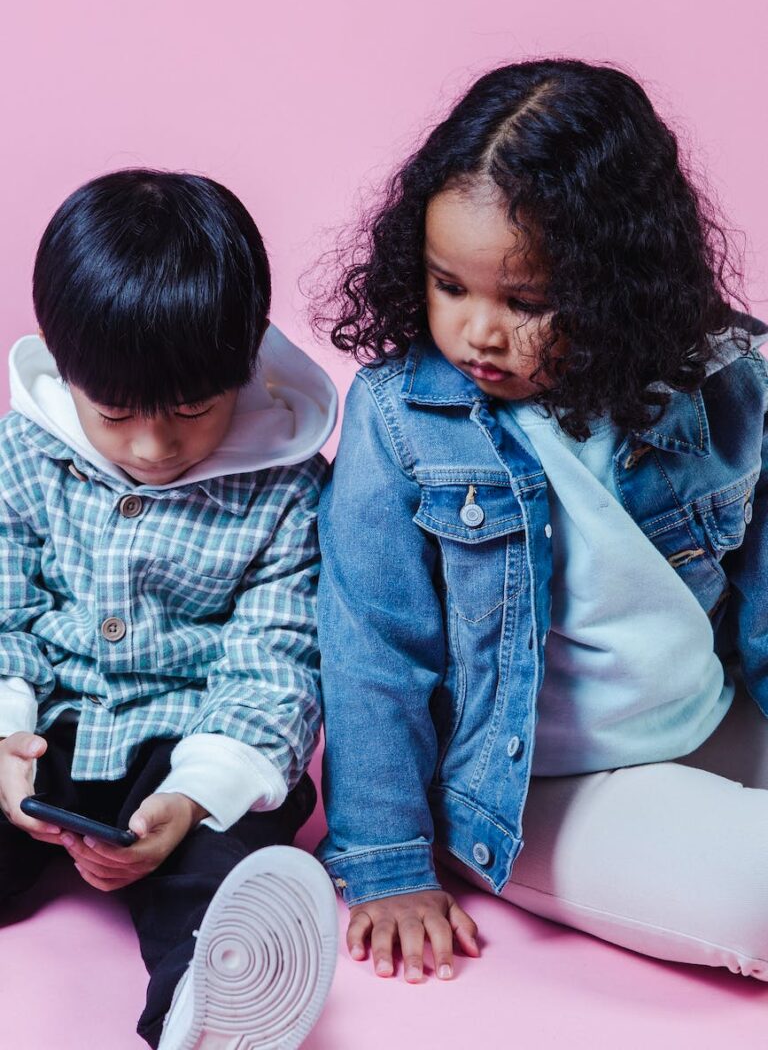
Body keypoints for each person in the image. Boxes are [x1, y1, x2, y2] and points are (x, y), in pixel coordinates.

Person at [316, 59, 768, 986]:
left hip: (705, 720)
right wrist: (386, 862)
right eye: (450, 287)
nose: (479, 333)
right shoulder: (403, 419)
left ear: (617, 288)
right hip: (528, 787)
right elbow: (372, 647)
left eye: (525, 304)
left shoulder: (722, 377)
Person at [0, 169, 339, 1048]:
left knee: (219, 874)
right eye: (113, 415)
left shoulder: (290, 487)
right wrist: (5, 731)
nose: (154, 448)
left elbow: (276, 658)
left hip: (192, 744)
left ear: (247, 364)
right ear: (66, 371)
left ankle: (208, 1004)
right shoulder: (24, 449)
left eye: (193, 411)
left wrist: (194, 796)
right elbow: (6, 600)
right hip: (49, 730)